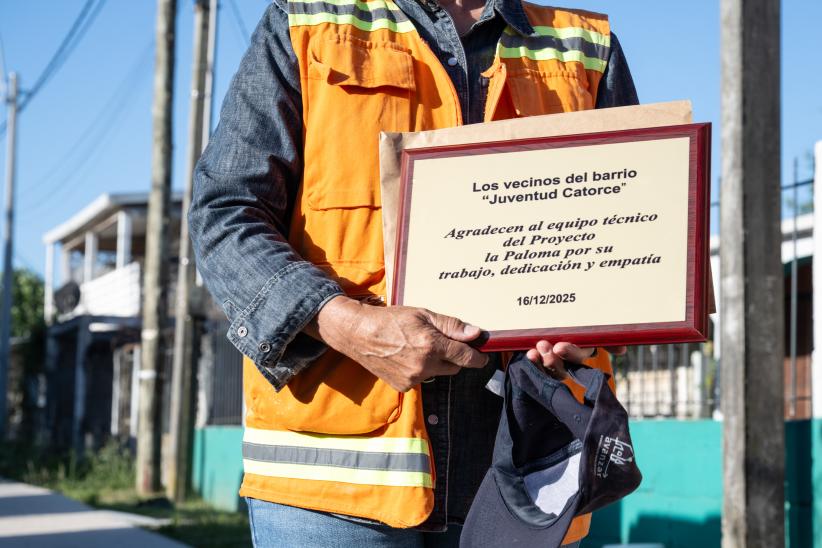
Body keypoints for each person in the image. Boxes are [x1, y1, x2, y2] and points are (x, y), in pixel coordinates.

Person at [189, 0, 637, 545]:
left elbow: (620, 236)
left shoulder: (584, 47)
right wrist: (344, 324)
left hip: (527, 476)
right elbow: (227, 212)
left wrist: (586, 326)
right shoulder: (305, 18)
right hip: (331, 491)